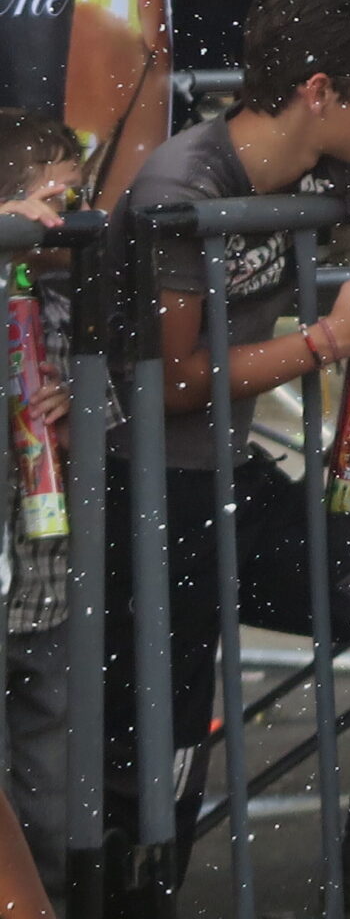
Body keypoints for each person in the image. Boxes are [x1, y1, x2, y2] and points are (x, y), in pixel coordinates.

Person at [106, 0, 350, 919]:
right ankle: (130, 889)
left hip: (230, 478)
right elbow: (166, 382)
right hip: (133, 493)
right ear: (320, 93)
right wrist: (320, 345)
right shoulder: (182, 178)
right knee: (152, 756)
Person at [0, 114, 78, 899]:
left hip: (49, 582)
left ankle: (47, 898)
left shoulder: (60, 304)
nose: (75, 216)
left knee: (49, 791)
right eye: (59, 197)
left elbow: (115, 406)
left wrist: (82, 409)